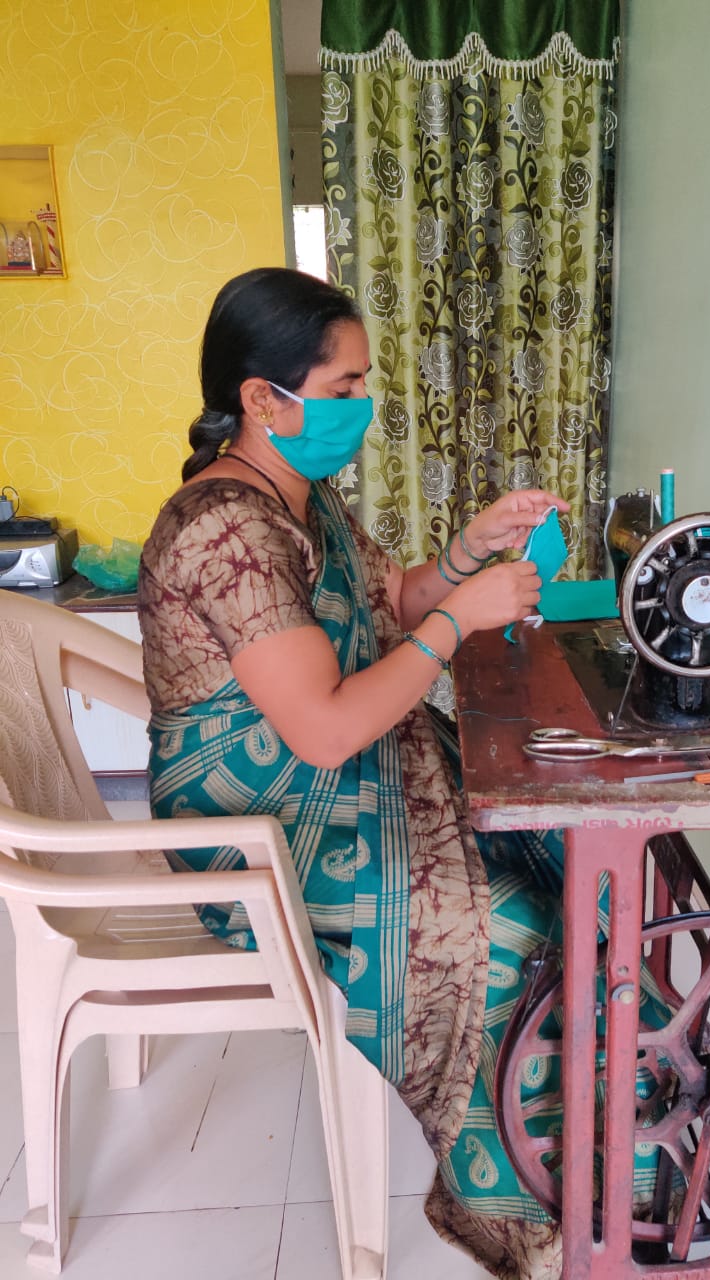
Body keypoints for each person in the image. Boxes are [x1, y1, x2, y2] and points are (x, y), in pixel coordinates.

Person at [138, 267, 671, 1279]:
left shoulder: (301, 496)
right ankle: (538, 1207)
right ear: (262, 397)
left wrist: (470, 549)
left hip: (324, 784)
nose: (362, 405)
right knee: (512, 921)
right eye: (343, 387)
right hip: (255, 828)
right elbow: (326, 730)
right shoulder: (226, 530)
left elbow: (393, 599)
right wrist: (455, 624)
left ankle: (619, 1153)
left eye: (362, 383)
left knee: (560, 848)